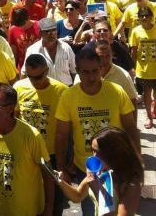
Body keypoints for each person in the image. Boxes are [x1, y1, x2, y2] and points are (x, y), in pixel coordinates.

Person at [55, 49, 139, 215]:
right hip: (86, 167)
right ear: (77, 71)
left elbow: (130, 128)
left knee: (114, 209)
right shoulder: (68, 96)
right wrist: (60, 167)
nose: (91, 77)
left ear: (101, 68)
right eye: (85, 72)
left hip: (117, 165)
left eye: (95, 71)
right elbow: (61, 135)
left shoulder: (116, 91)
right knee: (91, 210)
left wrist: (137, 159)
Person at [0, 83, 54, 216]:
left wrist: (49, 208)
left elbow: (48, 174)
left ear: (10, 108)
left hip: (27, 211)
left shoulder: (31, 136)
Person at [14, 53, 68, 216]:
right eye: (30, 77)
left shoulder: (61, 91)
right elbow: (15, 117)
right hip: (26, 153)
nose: (35, 81)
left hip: (51, 154)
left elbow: (65, 130)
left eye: (38, 77)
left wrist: (62, 163)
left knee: (54, 199)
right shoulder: (19, 87)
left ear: (47, 70)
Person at [56, 128, 143, 216]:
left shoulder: (130, 184)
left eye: (100, 152)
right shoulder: (99, 172)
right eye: (93, 150)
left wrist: (99, 192)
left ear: (116, 154)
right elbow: (78, 196)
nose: (94, 156)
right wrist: (61, 182)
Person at [22, 18, 76, 86]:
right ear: (40, 33)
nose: (52, 33)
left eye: (54, 30)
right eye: (47, 31)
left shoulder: (66, 48)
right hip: (44, 92)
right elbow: (24, 74)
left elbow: (74, 71)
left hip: (66, 91)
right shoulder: (33, 51)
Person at [129, 6, 156, 128]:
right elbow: (133, 51)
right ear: (139, 18)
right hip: (144, 70)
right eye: (142, 16)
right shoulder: (136, 31)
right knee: (146, 94)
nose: (144, 18)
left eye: (147, 15)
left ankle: (153, 108)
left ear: (151, 17)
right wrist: (132, 67)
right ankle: (149, 117)